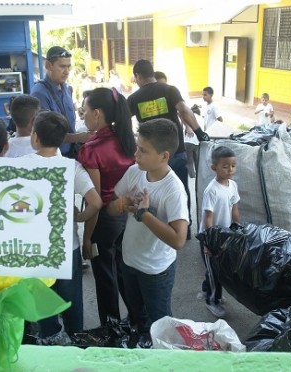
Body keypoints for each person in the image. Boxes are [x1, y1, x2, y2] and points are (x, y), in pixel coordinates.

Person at [24, 110, 102, 345]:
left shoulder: (20, 166)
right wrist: (80, 217)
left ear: (35, 137)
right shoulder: (72, 167)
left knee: (43, 301)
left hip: (35, 249)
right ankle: (75, 340)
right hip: (67, 247)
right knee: (71, 300)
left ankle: (49, 340)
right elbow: (96, 202)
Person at [107, 119, 189, 344]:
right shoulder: (135, 172)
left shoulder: (174, 190)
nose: (136, 154)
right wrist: (123, 203)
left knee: (160, 324)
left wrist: (144, 214)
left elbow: (179, 240)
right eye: (137, 147)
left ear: (164, 156)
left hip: (156, 270)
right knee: (138, 317)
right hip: (130, 261)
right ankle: (143, 345)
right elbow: (111, 208)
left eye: (143, 151)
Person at [127, 59, 209, 240]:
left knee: (152, 189)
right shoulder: (169, 90)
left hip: (151, 155)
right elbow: (184, 110)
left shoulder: (134, 99)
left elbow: (124, 122)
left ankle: (158, 226)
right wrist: (199, 132)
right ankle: (183, 229)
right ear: (152, 73)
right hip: (175, 149)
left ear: (138, 76)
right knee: (180, 188)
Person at [78, 87, 136, 326]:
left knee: (105, 276)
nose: (83, 115)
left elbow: (97, 200)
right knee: (124, 271)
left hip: (105, 221)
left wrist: (87, 238)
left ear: (98, 113)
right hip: (126, 215)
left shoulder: (92, 150)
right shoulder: (124, 138)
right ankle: (135, 319)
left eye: (85, 111)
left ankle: (111, 328)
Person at [199, 146, 240, 318]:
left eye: (233, 165)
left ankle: (206, 290)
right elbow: (208, 219)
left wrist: (239, 229)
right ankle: (212, 301)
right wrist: (209, 243)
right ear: (214, 167)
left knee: (217, 269)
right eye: (225, 166)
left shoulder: (233, 185)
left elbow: (235, 208)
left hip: (225, 236)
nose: (230, 169)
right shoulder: (212, 190)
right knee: (215, 271)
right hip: (211, 238)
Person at [30, 46, 91, 157]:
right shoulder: (39, 93)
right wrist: (79, 137)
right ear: (48, 65)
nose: (66, 72)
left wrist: (81, 111)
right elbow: (48, 134)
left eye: (68, 67)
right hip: (55, 156)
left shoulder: (66, 88)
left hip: (72, 152)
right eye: (62, 66)